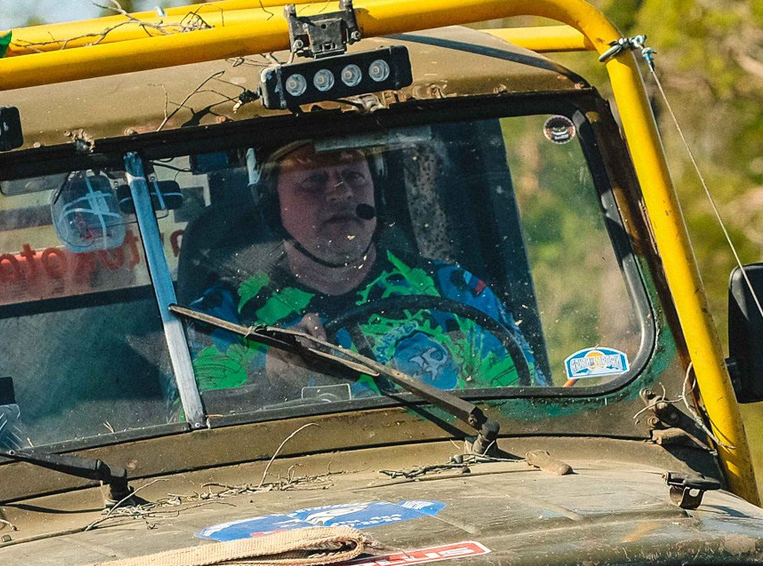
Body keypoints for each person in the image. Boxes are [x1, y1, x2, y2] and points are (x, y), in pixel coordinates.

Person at [184, 140, 535, 400]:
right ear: (272, 206)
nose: (340, 193)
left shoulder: (455, 292)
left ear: (377, 197)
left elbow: (528, 410)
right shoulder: (220, 321)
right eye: (313, 181)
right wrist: (269, 373)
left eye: (353, 175)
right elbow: (192, 442)